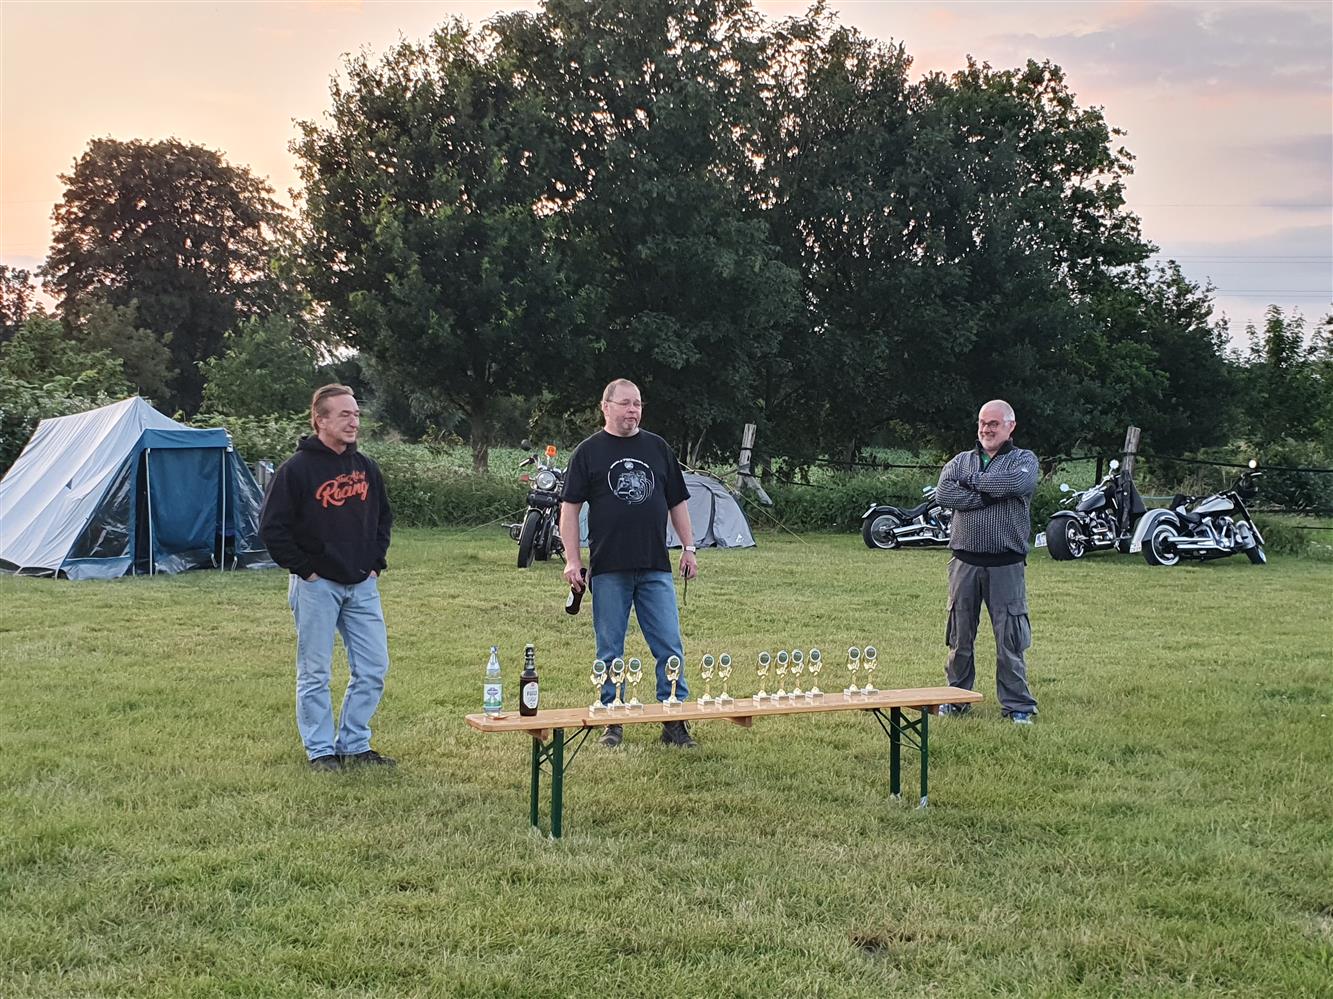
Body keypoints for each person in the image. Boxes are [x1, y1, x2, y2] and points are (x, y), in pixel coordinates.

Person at [260, 384, 396, 770]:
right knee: (315, 672)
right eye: (344, 415)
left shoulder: (365, 467)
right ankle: (320, 750)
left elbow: (383, 518)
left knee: (373, 668)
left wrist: (375, 562)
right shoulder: (296, 470)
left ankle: (354, 743)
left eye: (356, 414)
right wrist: (306, 570)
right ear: (320, 420)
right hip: (317, 586)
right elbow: (272, 528)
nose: (353, 422)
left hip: (362, 584)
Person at [561, 378, 700, 749]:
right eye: (625, 403)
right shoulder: (588, 452)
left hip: (655, 566)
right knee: (610, 650)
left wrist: (689, 547)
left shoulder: (658, 448)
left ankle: (674, 720)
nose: (633, 410)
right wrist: (572, 560)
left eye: (637, 404)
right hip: (609, 568)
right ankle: (612, 719)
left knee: (669, 646)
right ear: (605, 406)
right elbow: (569, 510)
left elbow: (677, 502)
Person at [934, 399, 1040, 724]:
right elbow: (943, 493)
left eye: (993, 423)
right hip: (963, 564)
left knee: (1009, 638)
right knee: (960, 636)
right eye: (982, 422)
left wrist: (972, 484)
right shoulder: (961, 460)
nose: (986, 429)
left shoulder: (1024, 460)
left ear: (1010, 426)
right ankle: (956, 699)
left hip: (1006, 565)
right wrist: (988, 495)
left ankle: (1018, 706)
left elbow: (1017, 483)